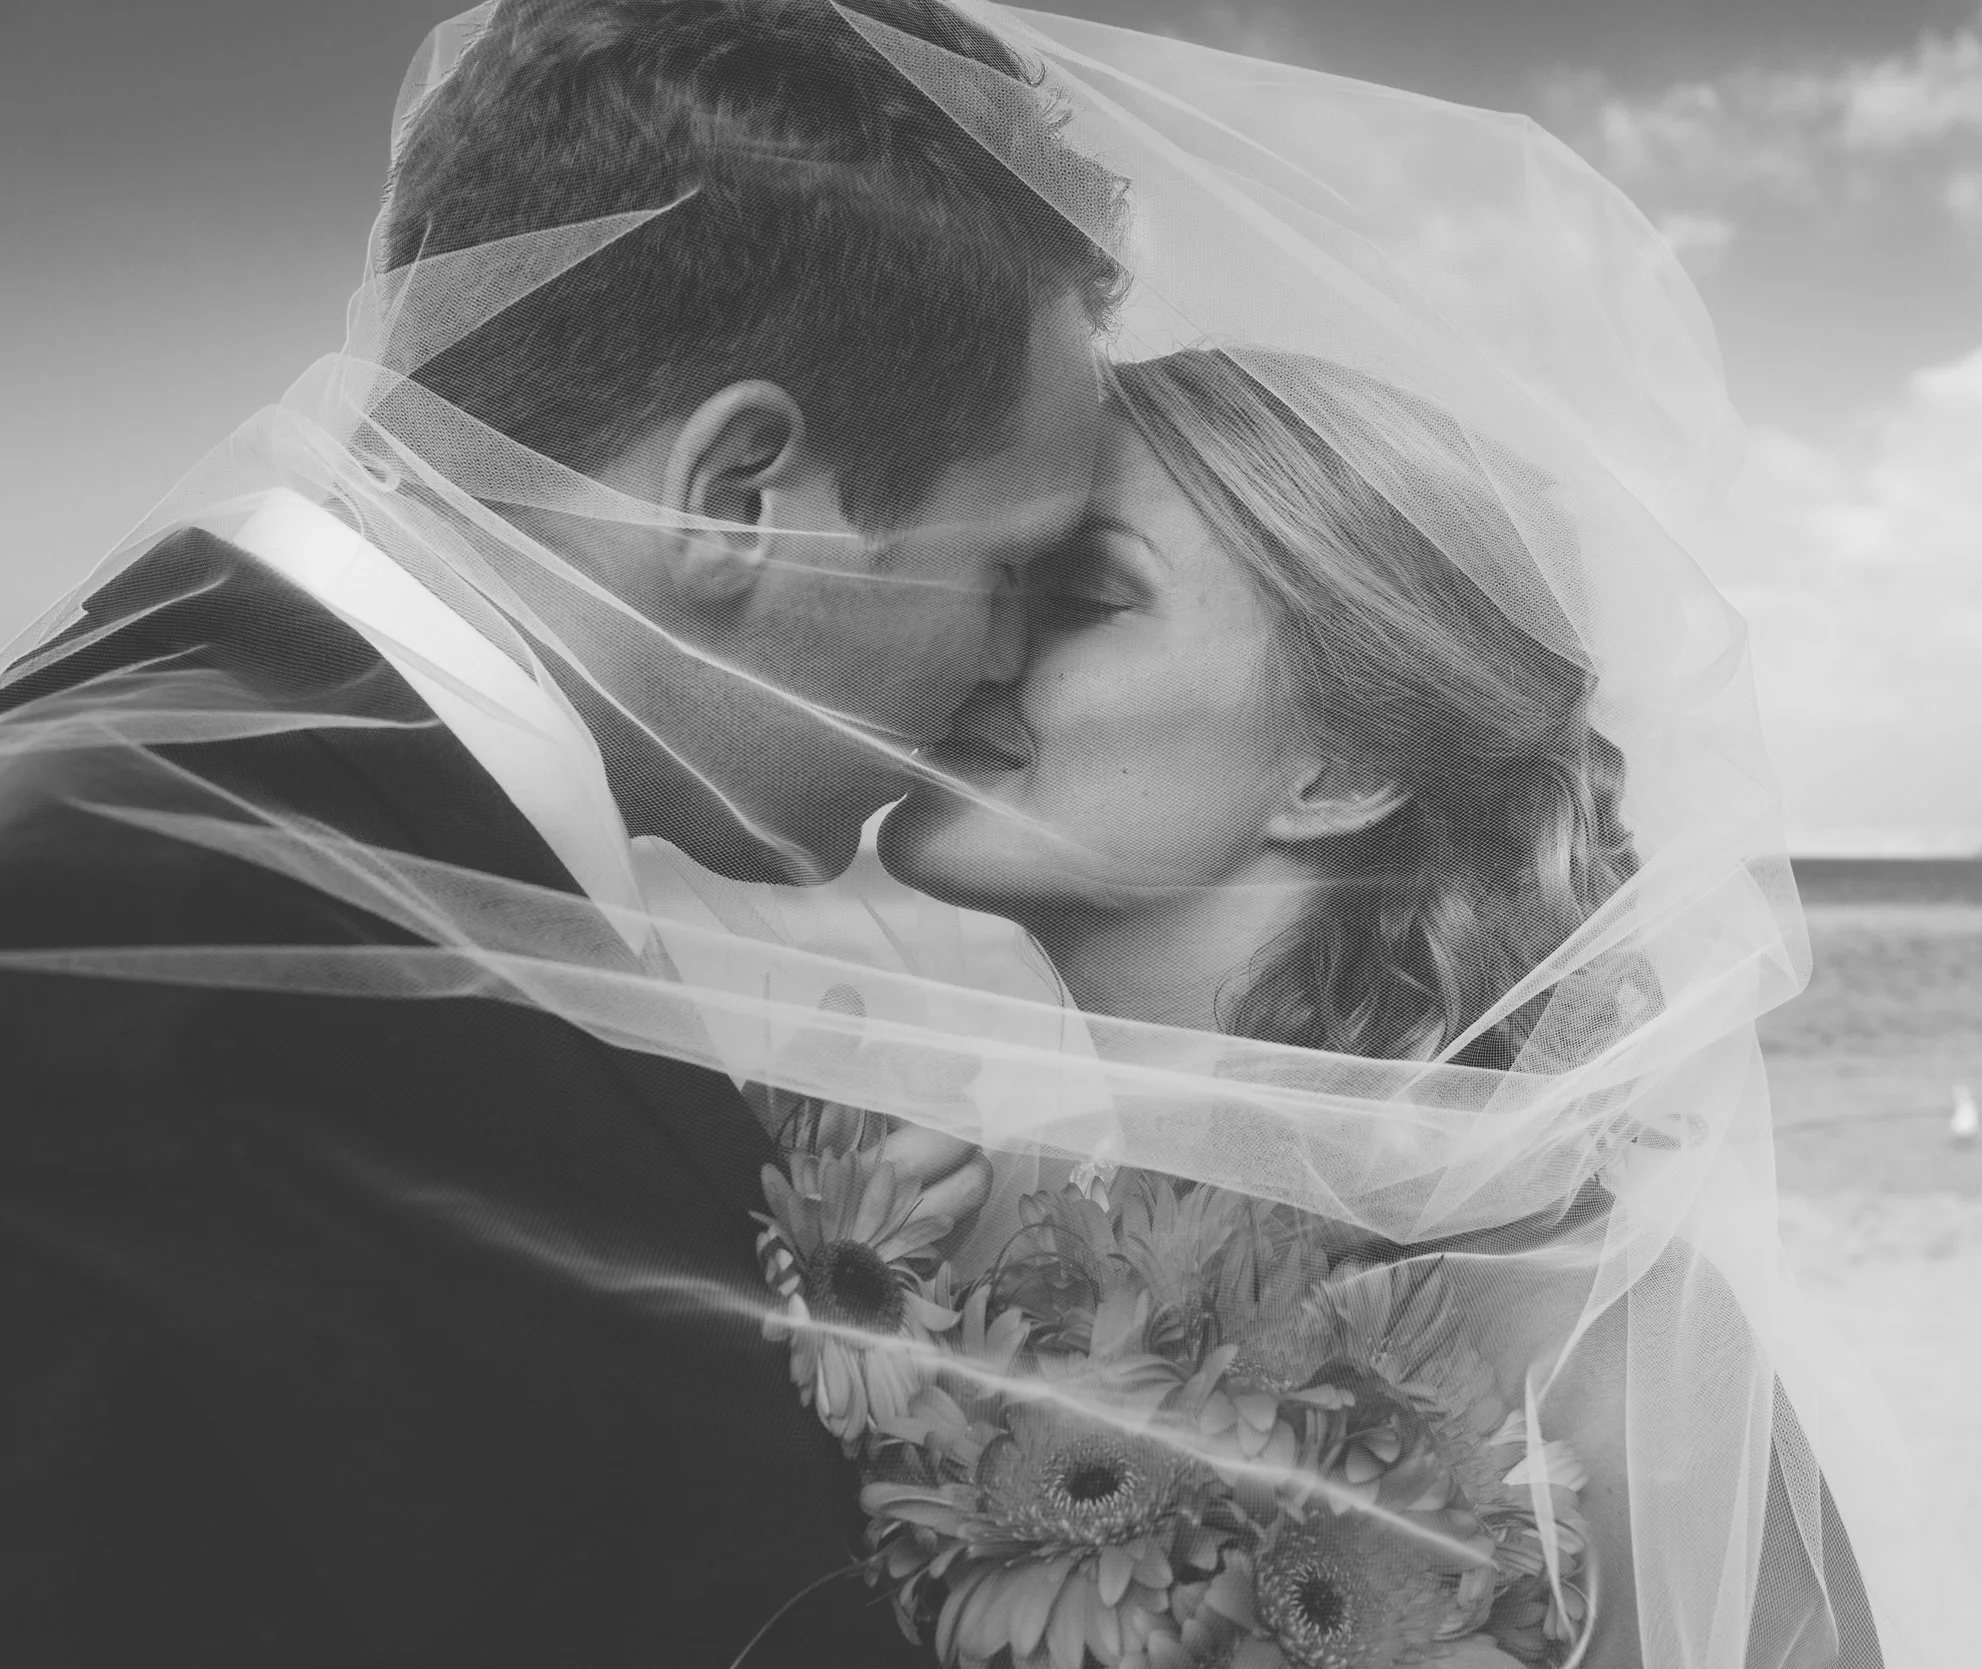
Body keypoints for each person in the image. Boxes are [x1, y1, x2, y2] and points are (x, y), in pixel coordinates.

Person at [0, 1, 1116, 1662]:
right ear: (736, 495)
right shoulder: (141, 954)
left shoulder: (184, 792)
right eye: (1010, 568)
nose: (1007, 663)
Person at [879, 347, 1885, 1667]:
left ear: (1341, 766)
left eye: (1079, 593)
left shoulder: (1601, 1364)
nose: (977, 641)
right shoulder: (974, 1244)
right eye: (992, 575)